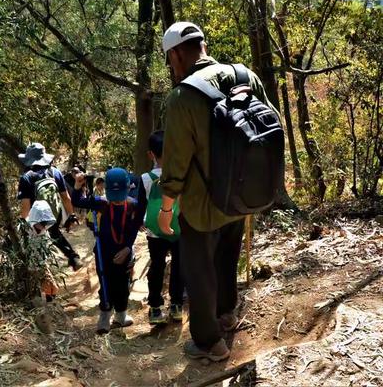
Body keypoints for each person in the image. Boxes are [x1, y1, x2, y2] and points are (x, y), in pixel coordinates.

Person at [157, 22, 276, 361]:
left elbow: (175, 166)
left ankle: (210, 342)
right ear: (204, 46)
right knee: (227, 257)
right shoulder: (244, 76)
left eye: (170, 60)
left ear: (177, 54)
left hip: (202, 206)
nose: (172, 67)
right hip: (240, 198)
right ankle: (227, 313)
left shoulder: (182, 97)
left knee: (200, 270)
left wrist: (166, 211)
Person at [72, 168, 142, 334]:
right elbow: (78, 201)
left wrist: (127, 248)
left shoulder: (133, 205)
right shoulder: (101, 203)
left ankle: (121, 315)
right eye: (114, 198)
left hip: (124, 252)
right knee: (105, 281)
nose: (117, 202)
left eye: (120, 198)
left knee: (123, 283)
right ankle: (104, 314)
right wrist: (77, 186)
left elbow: (134, 229)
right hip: (103, 252)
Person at [138, 130, 184, 325]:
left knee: (157, 265)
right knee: (179, 265)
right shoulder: (181, 175)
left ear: (151, 154)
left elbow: (141, 204)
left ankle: (155, 308)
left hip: (155, 231)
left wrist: (142, 222)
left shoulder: (145, 178)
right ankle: (176, 305)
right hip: (179, 228)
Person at [18, 143, 82, 271]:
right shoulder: (55, 172)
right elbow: (66, 197)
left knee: (39, 245)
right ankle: (73, 256)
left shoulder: (26, 178)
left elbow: (25, 207)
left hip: (36, 220)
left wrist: (22, 225)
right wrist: (71, 215)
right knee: (54, 233)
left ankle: (45, 275)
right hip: (54, 214)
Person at [22, 200, 59, 301]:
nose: (43, 225)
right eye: (41, 222)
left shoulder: (44, 232)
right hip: (31, 263)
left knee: (50, 286)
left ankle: (50, 304)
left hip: (42, 263)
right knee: (42, 285)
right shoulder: (25, 229)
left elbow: (48, 248)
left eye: (44, 222)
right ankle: (45, 303)